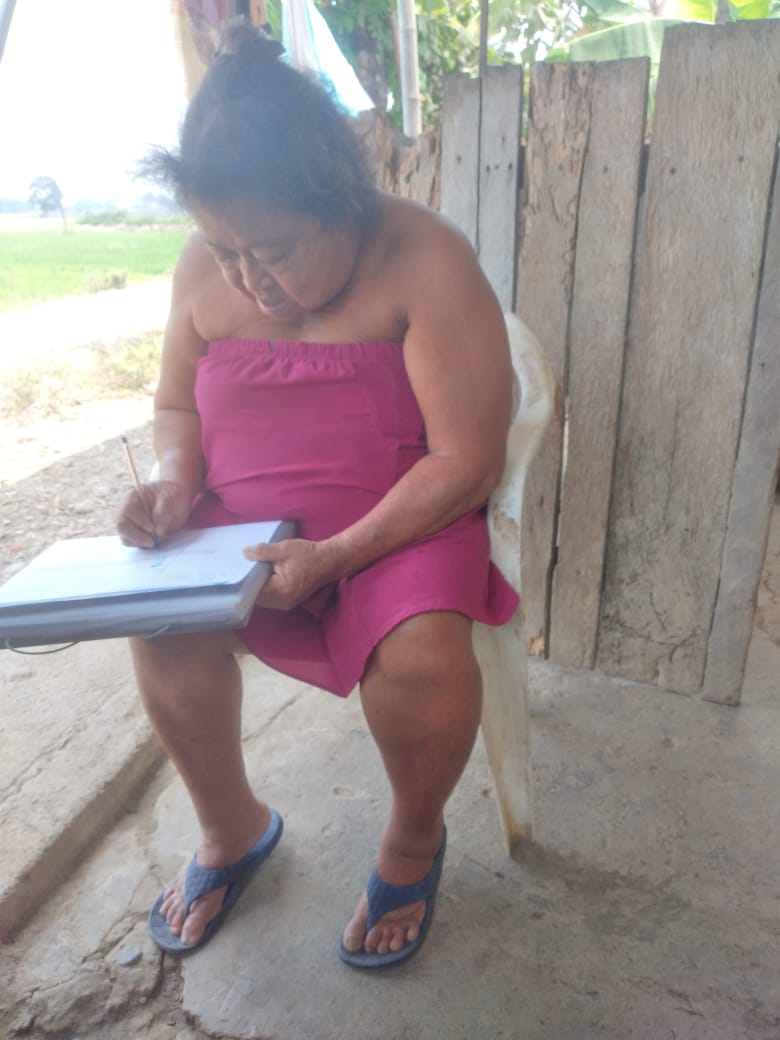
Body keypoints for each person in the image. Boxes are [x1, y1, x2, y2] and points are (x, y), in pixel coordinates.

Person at [118, 20, 518, 970]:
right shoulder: (202, 269)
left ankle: (412, 841)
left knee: (422, 655)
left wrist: (339, 555)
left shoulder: (426, 258)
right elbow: (176, 405)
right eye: (225, 251)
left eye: (275, 251)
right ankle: (232, 829)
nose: (249, 280)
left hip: (402, 525)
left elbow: (467, 459)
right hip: (244, 530)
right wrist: (173, 485)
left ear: (342, 201)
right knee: (161, 622)